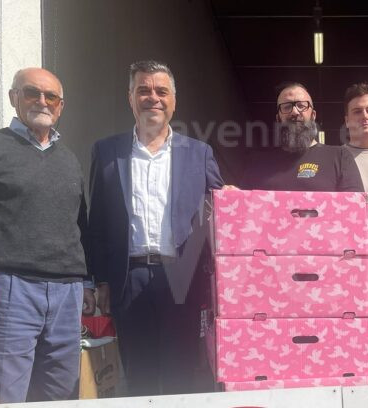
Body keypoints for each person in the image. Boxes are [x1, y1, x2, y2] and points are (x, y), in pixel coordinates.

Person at [88, 60, 224, 396]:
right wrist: (98, 279)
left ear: (174, 100)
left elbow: (221, 214)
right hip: (128, 280)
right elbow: (98, 220)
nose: (153, 98)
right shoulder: (107, 152)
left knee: (181, 376)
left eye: (162, 91)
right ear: (130, 98)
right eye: (143, 90)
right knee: (138, 378)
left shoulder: (199, 153)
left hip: (183, 279)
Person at [0, 68, 93, 403]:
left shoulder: (70, 160)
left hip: (67, 293)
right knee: (4, 394)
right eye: (32, 93)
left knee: (60, 395)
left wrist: (88, 283)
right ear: (13, 97)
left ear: (61, 106)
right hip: (11, 290)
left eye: (52, 96)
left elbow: (79, 225)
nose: (42, 102)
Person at [241, 82, 364, 192]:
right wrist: (233, 194)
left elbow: (355, 206)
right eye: (287, 107)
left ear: (313, 115)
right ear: (278, 118)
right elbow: (242, 205)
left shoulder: (340, 157)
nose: (294, 111)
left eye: (301, 105)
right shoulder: (259, 163)